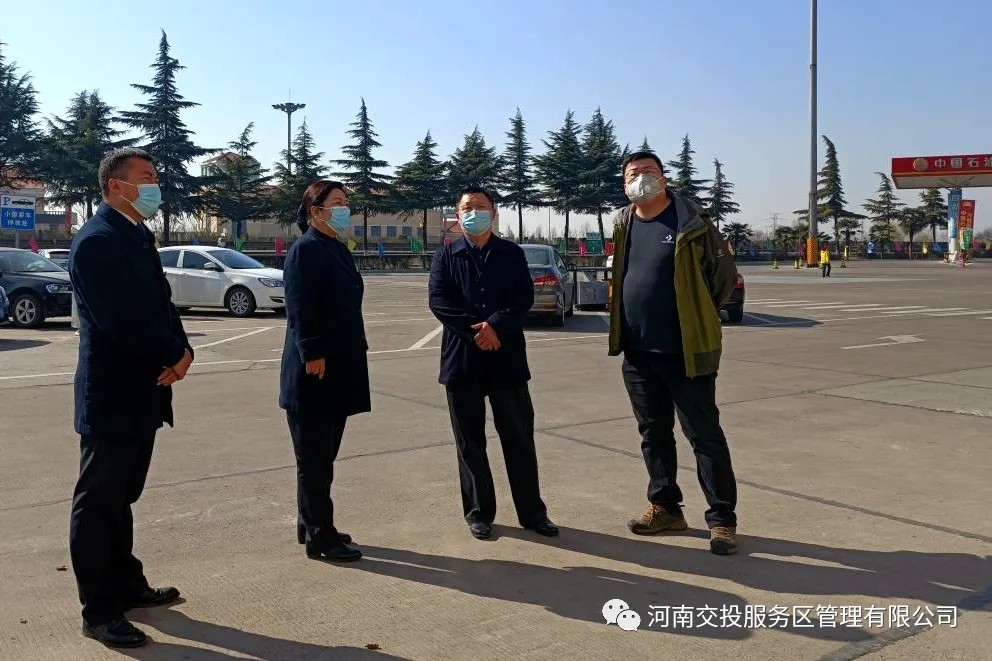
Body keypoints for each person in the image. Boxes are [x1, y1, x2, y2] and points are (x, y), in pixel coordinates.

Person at [68, 148, 194, 648]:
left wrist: (183, 349)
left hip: (145, 388)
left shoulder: (137, 236)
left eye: (155, 176)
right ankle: (99, 610)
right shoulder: (96, 241)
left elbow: (162, 305)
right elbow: (117, 319)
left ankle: (126, 584)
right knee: (98, 503)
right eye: (146, 177)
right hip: (113, 393)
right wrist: (170, 352)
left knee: (123, 497)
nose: (155, 185)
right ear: (115, 186)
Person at [607, 151, 741, 556]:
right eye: (633, 174)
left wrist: (699, 316)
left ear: (664, 178)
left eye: (648, 171)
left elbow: (723, 278)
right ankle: (665, 508)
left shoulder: (691, 222)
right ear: (624, 185)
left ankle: (722, 519)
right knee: (653, 434)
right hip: (638, 352)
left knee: (704, 435)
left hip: (686, 352)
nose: (640, 179)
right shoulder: (624, 223)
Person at [428, 186, 557, 541]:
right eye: (467, 207)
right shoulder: (446, 255)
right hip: (462, 361)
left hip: (507, 360)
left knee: (519, 439)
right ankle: (479, 512)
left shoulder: (511, 254)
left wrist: (496, 326)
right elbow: (440, 300)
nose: (474, 212)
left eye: (481, 206)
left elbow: (522, 297)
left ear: (494, 213)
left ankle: (533, 513)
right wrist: (478, 332)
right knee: (470, 442)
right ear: (457, 215)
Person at [279, 180, 368, 562]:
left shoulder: (335, 247)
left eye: (346, 202)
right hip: (314, 371)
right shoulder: (306, 249)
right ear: (316, 211)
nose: (345, 208)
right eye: (337, 202)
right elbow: (299, 306)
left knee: (322, 457)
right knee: (314, 460)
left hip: (337, 369)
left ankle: (311, 522)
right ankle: (321, 538)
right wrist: (312, 352)